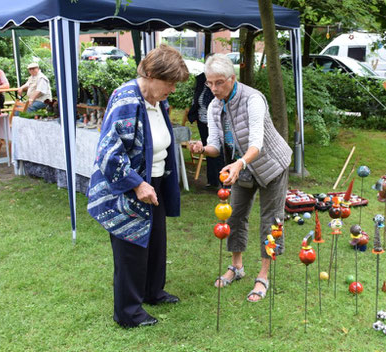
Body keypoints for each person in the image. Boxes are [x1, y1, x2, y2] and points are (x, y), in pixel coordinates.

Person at [87, 44, 189, 328]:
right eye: (170, 83)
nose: (173, 89)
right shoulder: (126, 99)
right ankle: (128, 314)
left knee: (155, 241)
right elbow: (109, 152)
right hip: (126, 187)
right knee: (130, 245)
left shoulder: (159, 101)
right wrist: (136, 184)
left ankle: (152, 292)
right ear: (153, 75)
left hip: (153, 181)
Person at [189, 54, 292, 302]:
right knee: (234, 215)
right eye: (209, 83)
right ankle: (237, 267)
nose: (214, 88)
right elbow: (215, 144)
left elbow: (257, 142)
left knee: (271, 221)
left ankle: (264, 275)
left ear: (232, 79)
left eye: (219, 82)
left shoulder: (253, 99)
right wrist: (202, 149)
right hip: (240, 166)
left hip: (271, 165)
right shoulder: (214, 106)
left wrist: (240, 162)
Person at [187, 71, 224, 189]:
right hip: (202, 121)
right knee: (208, 150)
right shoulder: (201, 80)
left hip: (217, 121)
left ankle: (222, 180)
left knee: (219, 151)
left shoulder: (219, 84)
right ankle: (212, 180)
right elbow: (196, 98)